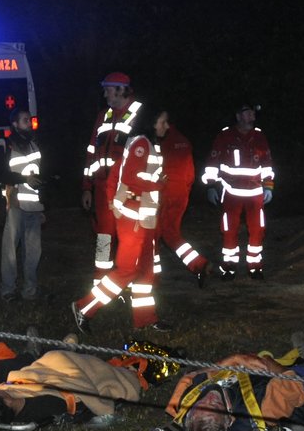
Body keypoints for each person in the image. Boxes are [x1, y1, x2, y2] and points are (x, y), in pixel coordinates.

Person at [152, 330, 304, 431]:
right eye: (214, 406)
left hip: (255, 373)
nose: (209, 398)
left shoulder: (188, 396)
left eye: (201, 405)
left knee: (274, 361)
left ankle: (301, 356)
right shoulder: (263, 412)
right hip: (293, 382)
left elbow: (198, 373)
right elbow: (289, 382)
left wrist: (232, 360)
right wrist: (267, 362)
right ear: (230, 418)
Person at [72, 104, 164, 333]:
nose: (167, 126)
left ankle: (145, 318)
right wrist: (156, 184)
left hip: (141, 216)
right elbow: (129, 176)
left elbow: (117, 173)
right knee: (126, 270)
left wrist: (113, 200)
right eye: (163, 122)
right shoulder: (141, 144)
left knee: (146, 271)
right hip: (134, 216)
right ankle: (84, 308)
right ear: (152, 122)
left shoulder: (139, 143)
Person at [202, 102, 275, 278]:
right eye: (247, 112)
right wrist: (211, 186)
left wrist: (268, 186)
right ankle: (229, 265)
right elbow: (213, 162)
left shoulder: (259, 136)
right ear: (238, 116)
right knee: (229, 228)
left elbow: (267, 163)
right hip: (231, 192)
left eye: (252, 112)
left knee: (258, 229)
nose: (252, 116)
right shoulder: (225, 136)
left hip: (255, 192)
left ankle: (255, 265)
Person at [82, 72, 142, 277]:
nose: (105, 95)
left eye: (108, 90)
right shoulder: (103, 116)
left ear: (120, 90)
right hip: (102, 188)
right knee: (103, 237)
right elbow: (92, 151)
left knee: (130, 236)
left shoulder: (141, 115)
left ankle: (130, 279)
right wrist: (87, 187)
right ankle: (100, 282)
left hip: (129, 191)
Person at [0, 107, 43, 301]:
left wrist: (43, 205)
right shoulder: (5, 144)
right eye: (25, 120)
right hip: (14, 204)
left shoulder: (34, 145)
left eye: (29, 120)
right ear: (14, 124)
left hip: (34, 206)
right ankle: (8, 290)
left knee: (33, 252)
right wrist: (23, 179)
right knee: (10, 251)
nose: (29, 123)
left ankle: (30, 290)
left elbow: (39, 172)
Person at [152, 110, 209, 288]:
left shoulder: (159, 141)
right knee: (171, 234)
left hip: (164, 193)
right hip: (181, 193)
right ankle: (198, 264)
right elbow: (189, 173)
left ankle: (149, 276)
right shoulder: (183, 140)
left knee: (153, 235)